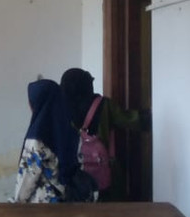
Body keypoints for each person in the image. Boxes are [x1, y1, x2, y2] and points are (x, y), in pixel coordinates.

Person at [60, 67, 147, 201]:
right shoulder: (103, 104)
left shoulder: (62, 108)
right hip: (103, 173)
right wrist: (152, 117)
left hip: (74, 175)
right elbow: (129, 119)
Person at [12, 78, 78, 203]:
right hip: (68, 201)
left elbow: (27, 180)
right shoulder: (71, 132)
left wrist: (16, 203)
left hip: (42, 206)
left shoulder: (36, 137)